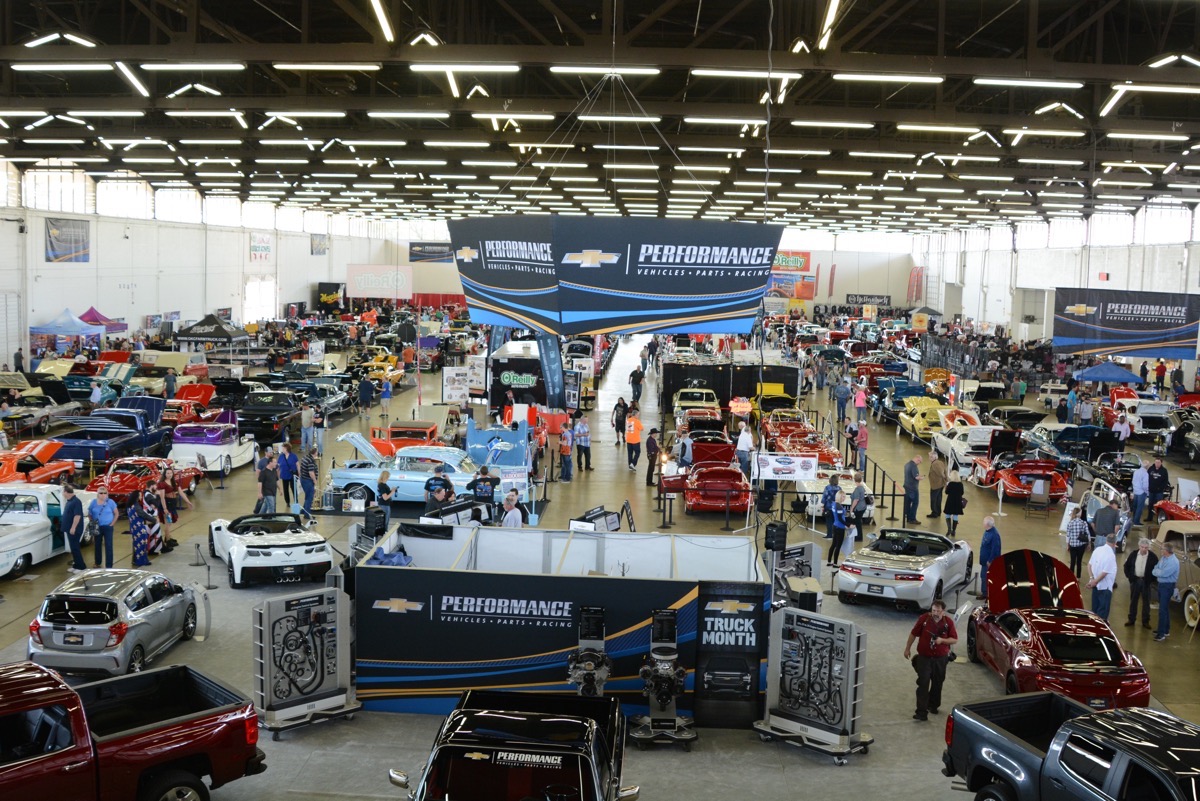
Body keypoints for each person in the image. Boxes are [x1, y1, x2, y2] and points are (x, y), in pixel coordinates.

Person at [903, 599, 957, 722]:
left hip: (940, 659)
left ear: (943, 612)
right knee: (923, 683)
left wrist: (942, 641)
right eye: (933, 610)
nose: (935, 613)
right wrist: (907, 648)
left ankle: (933, 705)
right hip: (924, 658)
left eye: (938, 611)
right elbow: (913, 634)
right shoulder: (923, 619)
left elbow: (954, 639)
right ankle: (921, 712)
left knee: (938, 683)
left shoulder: (948, 622)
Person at [1123, 538, 1159, 630]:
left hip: (1146, 582)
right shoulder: (1133, 554)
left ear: (1149, 548)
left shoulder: (1153, 557)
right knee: (1133, 601)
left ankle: (1145, 621)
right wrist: (1130, 577)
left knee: (1146, 602)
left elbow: (1157, 569)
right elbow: (1126, 566)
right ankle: (1131, 619)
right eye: (1142, 547)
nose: (1144, 549)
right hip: (1135, 581)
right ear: (1139, 546)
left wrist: (1151, 580)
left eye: (1146, 548)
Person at [155, 466, 191, 546]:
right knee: (168, 522)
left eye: (171, 473)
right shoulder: (162, 484)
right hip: (167, 504)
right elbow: (162, 497)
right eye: (168, 473)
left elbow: (181, 492)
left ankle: (168, 537)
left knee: (170, 522)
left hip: (172, 504)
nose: (169, 474)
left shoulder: (174, 482)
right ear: (165, 474)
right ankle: (167, 541)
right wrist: (165, 508)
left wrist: (188, 501)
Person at [1087, 533, 1118, 622]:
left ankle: (1092, 628)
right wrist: (1095, 581)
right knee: (1102, 614)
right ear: (1115, 542)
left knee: (1094, 611)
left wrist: (1091, 579)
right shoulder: (1111, 555)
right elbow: (1105, 572)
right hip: (1105, 588)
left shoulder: (1097, 550)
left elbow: (1089, 565)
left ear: (1106, 540)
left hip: (1095, 586)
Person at [1152, 542, 1180, 641]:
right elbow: (1155, 569)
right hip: (1161, 585)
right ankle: (1165, 630)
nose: (1161, 550)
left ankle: (1161, 634)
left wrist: (1158, 572)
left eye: (1162, 549)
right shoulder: (1164, 558)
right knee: (1164, 608)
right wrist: (1158, 571)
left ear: (1167, 551)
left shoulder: (1173, 562)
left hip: (1167, 587)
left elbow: (1163, 573)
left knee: (1162, 610)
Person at [87, 488, 118, 569]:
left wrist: (112, 523)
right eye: (101, 493)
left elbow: (116, 513)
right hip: (97, 527)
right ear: (98, 494)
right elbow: (90, 513)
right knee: (97, 545)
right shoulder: (94, 502)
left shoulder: (110, 502)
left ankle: (109, 565)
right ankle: (97, 562)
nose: (103, 494)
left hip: (108, 527)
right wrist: (92, 522)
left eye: (105, 493)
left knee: (108, 545)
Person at [62, 484, 86, 573]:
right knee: (73, 548)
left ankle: (81, 567)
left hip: (74, 530)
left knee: (75, 548)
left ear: (66, 492)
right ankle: (76, 565)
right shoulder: (69, 501)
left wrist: (73, 527)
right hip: (69, 529)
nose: (62, 494)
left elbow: (77, 515)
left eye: (63, 492)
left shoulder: (76, 502)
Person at [979, 516, 1001, 599]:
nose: (983, 524)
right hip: (984, 561)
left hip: (989, 562)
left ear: (987, 524)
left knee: (987, 577)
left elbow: (995, 549)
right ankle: (984, 593)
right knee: (983, 577)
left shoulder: (994, 535)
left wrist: (990, 560)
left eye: (984, 522)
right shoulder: (987, 531)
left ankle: (988, 595)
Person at [1065, 506, 1090, 578]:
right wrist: (1089, 544)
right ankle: (1078, 577)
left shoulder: (1070, 523)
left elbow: (1068, 535)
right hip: (1081, 545)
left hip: (1072, 545)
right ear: (1079, 514)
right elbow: (1088, 534)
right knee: (1079, 562)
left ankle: (1071, 577)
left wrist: (1068, 545)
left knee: (1072, 561)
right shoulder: (1084, 523)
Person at [827, 490, 848, 567]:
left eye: (845, 497)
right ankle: (835, 563)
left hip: (835, 526)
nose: (844, 498)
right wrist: (848, 525)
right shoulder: (838, 506)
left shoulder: (834, 504)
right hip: (840, 528)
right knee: (838, 546)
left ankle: (829, 561)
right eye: (843, 496)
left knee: (833, 544)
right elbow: (840, 519)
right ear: (839, 496)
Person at [1147, 456, 1170, 521]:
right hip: (1151, 490)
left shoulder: (1164, 471)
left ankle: (1159, 519)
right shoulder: (1151, 468)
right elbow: (1146, 478)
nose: (1157, 464)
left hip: (1159, 492)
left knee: (1159, 506)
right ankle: (1149, 518)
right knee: (1150, 504)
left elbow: (1165, 481)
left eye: (1158, 462)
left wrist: (1161, 488)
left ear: (1161, 463)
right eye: (1156, 462)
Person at [903, 454, 923, 526]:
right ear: (917, 459)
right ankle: (912, 518)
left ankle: (908, 517)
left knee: (908, 503)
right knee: (915, 503)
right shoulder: (914, 466)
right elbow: (916, 477)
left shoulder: (907, 464)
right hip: (913, 488)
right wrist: (921, 477)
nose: (919, 463)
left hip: (907, 486)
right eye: (920, 462)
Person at [820, 474, 841, 540]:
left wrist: (823, 505)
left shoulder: (827, 488)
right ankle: (835, 535)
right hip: (836, 507)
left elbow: (824, 497)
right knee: (836, 521)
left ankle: (829, 535)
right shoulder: (839, 488)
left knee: (829, 521)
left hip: (828, 507)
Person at [927, 450, 947, 518]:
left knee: (934, 499)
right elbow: (945, 471)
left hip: (936, 485)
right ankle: (938, 512)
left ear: (934, 457)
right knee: (938, 498)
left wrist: (944, 477)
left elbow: (941, 473)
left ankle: (934, 513)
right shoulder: (940, 462)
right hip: (940, 484)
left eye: (930, 457)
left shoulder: (935, 464)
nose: (929, 458)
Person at [277, 443, 298, 508]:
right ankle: (287, 502)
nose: (282, 449)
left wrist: (299, 474)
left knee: (294, 488)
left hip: (292, 475)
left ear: (287, 449)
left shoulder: (293, 456)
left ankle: (296, 501)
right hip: (284, 475)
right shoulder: (281, 456)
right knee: (285, 489)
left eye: (283, 448)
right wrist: (277, 475)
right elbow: (278, 466)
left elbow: (298, 465)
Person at [299, 447, 319, 514]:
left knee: (307, 496)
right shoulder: (310, 460)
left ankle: (303, 511)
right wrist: (315, 481)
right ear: (315, 452)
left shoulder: (305, 457)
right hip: (308, 481)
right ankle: (307, 514)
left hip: (303, 479)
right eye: (317, 452)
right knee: (309, 498)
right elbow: (311, 472)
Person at [848, 472, 867, 541]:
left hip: (858, 508)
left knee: (857, 522)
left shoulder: (857, 489)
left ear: (854, 480)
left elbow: (856, 500)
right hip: (863, 507)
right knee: (858, 521)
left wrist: (851, 508)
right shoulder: (862, 488)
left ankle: (858, 536)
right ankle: (858, 535)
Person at [1131, 460, 1150, 527]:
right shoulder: (1145, 474)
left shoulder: (1136, 471)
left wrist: (1134, 490)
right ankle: (1136, 522)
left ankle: (1133, 520)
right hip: (1142, 492)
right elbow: (1145, 485)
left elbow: (1133, 481)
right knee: (1140, 507)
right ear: (1147, 466)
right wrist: (1147, 493)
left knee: (1135, 507)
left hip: (1136, 491)